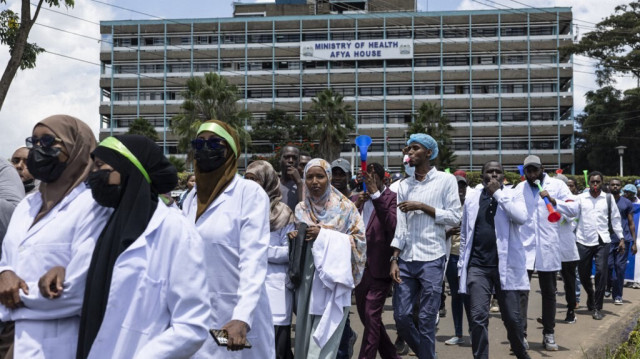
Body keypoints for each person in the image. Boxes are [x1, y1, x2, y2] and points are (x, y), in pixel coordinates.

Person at [44, 135, 210, 358]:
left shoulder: (175, 230)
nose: (93, 174)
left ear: (128, 169)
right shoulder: (104, 222)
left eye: (101, 166)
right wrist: (62, 270)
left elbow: (192, 325)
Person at [0, 115, 112, 358]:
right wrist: (4, 272)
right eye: (35, 142)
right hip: (14, 338)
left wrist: (13, 296)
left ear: (76, 148)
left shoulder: (93, 206)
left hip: (61, 343)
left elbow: (79, 290)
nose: (38, 150)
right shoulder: (27, 205)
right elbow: (9, 258)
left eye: (49, 142)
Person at [183, 120, 275, 358]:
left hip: (237, 317)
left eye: (215, 143)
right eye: (199, 143)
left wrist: (242, 317)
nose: (205, 149)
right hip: (199, 315)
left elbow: (253, 258)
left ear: (231, 151)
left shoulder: (249, 193)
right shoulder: (191, 198)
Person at [389, 133, 462, 359]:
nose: (409, 152)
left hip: (433, 256)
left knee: (427, 319)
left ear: (428, 153)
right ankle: (427, 355)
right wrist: (394, 258)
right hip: (406, 259)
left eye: (415, 148)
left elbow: (455, 217)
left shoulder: (445, 180)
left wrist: (422, 206)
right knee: (401, 317)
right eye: (408, 148)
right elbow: (401, 225)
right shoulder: (403, 185)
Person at [291, 159, 366, 359]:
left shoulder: (346, 208)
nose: (315, 181)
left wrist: (323, 234)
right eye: (310, 177)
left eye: (320, 176)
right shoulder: (300, 209)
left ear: (329, 178)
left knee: (330, 334)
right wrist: (294, 237)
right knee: (307, 331)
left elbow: (359, 241)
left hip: (334, 278)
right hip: (308, 277)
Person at [458, 161, 530, 359]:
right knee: (478, 318)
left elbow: (521, 217)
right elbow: (465, 233)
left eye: (498, 172)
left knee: (513, 319)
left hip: (505, 267)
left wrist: (498, 194)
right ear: (482, 175)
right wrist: (461, 264)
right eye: (489, 172)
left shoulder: (513, 194)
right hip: (478, 267)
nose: (493, 175)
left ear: (503, 176)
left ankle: (521, 353)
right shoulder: (473, 197)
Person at [513, 155, 575, 351]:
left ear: (542, 168)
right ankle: (521, 336)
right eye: (528, 171)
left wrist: (554, 200)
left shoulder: (557, 185)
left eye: (535, 170)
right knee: (521, 293)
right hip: (525, 249)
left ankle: (549, 333)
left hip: (548, 248)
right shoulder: (518, 189)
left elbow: (575, 207)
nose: (532, 175)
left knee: (549, 293)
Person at [244, 160, 295, 359]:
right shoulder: (240, 210)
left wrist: (256, 251)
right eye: (246, 179)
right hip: (247, 287)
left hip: (275, 287)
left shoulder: (282, 213)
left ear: (267, 181)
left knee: (277, 349)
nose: (249, 184)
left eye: (254, 179)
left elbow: (287, 252)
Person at [352, 162, 399, 359]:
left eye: (373, 178)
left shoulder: (391, 198)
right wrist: (355, 204)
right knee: (368, 319)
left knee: (372, 315)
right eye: (365, 178)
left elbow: (393, 226)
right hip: (359, 268)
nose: (368, 181)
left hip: (380, 267)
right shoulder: (356, 199)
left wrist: (376, 197)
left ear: (382, 179)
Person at [574, 171, 624, 320]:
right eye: (592, 182)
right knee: (583, 274)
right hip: (583, 239)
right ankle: (590, 293)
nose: (595, 184)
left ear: (602, 183)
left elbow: (615, 219)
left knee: (602, 273)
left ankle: (597, 307)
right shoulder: (580, 198)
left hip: (603, 241)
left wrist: (621, 237)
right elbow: (573, 218)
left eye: (598, 182)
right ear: (588, 183)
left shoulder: (608, 199)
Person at [444, 175, 471, 346]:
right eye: (457, 187)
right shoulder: (446, 207)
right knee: (455, 295)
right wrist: (448, 233)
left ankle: (474, 331)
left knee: (468, 296)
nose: (460, 191)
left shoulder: (471, 206)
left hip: (467, 258)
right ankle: (458, 333)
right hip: (452, 257)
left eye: (463, 187)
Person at [554, 174, 580, 323]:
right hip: (550, 246)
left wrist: (556, 204)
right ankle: (549, 315)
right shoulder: (547, 200)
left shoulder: (574, 200)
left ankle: (570, 310)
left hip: (567, 247)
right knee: (550, 284)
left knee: (569, 282)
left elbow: (571, 218)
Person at [606, 179, 637, 305]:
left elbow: (631, 223)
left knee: (619, 268)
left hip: (623, 240)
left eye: (617, 185)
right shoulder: (604, 201)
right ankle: (608, 286)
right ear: (609, 186)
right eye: (612, 184)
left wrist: (634, 242)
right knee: (608, 266)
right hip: (607, 240)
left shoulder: (627, 203)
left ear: (621, 187)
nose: (615, 186)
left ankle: (618, 295)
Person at [279, 146, 302, 211]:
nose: (291, 161)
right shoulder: (274, 185)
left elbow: (304, 212)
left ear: (299, 161)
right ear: (280, 159)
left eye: (294, 158)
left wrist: (299, 183)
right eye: (286, 157)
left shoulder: (305, 184)